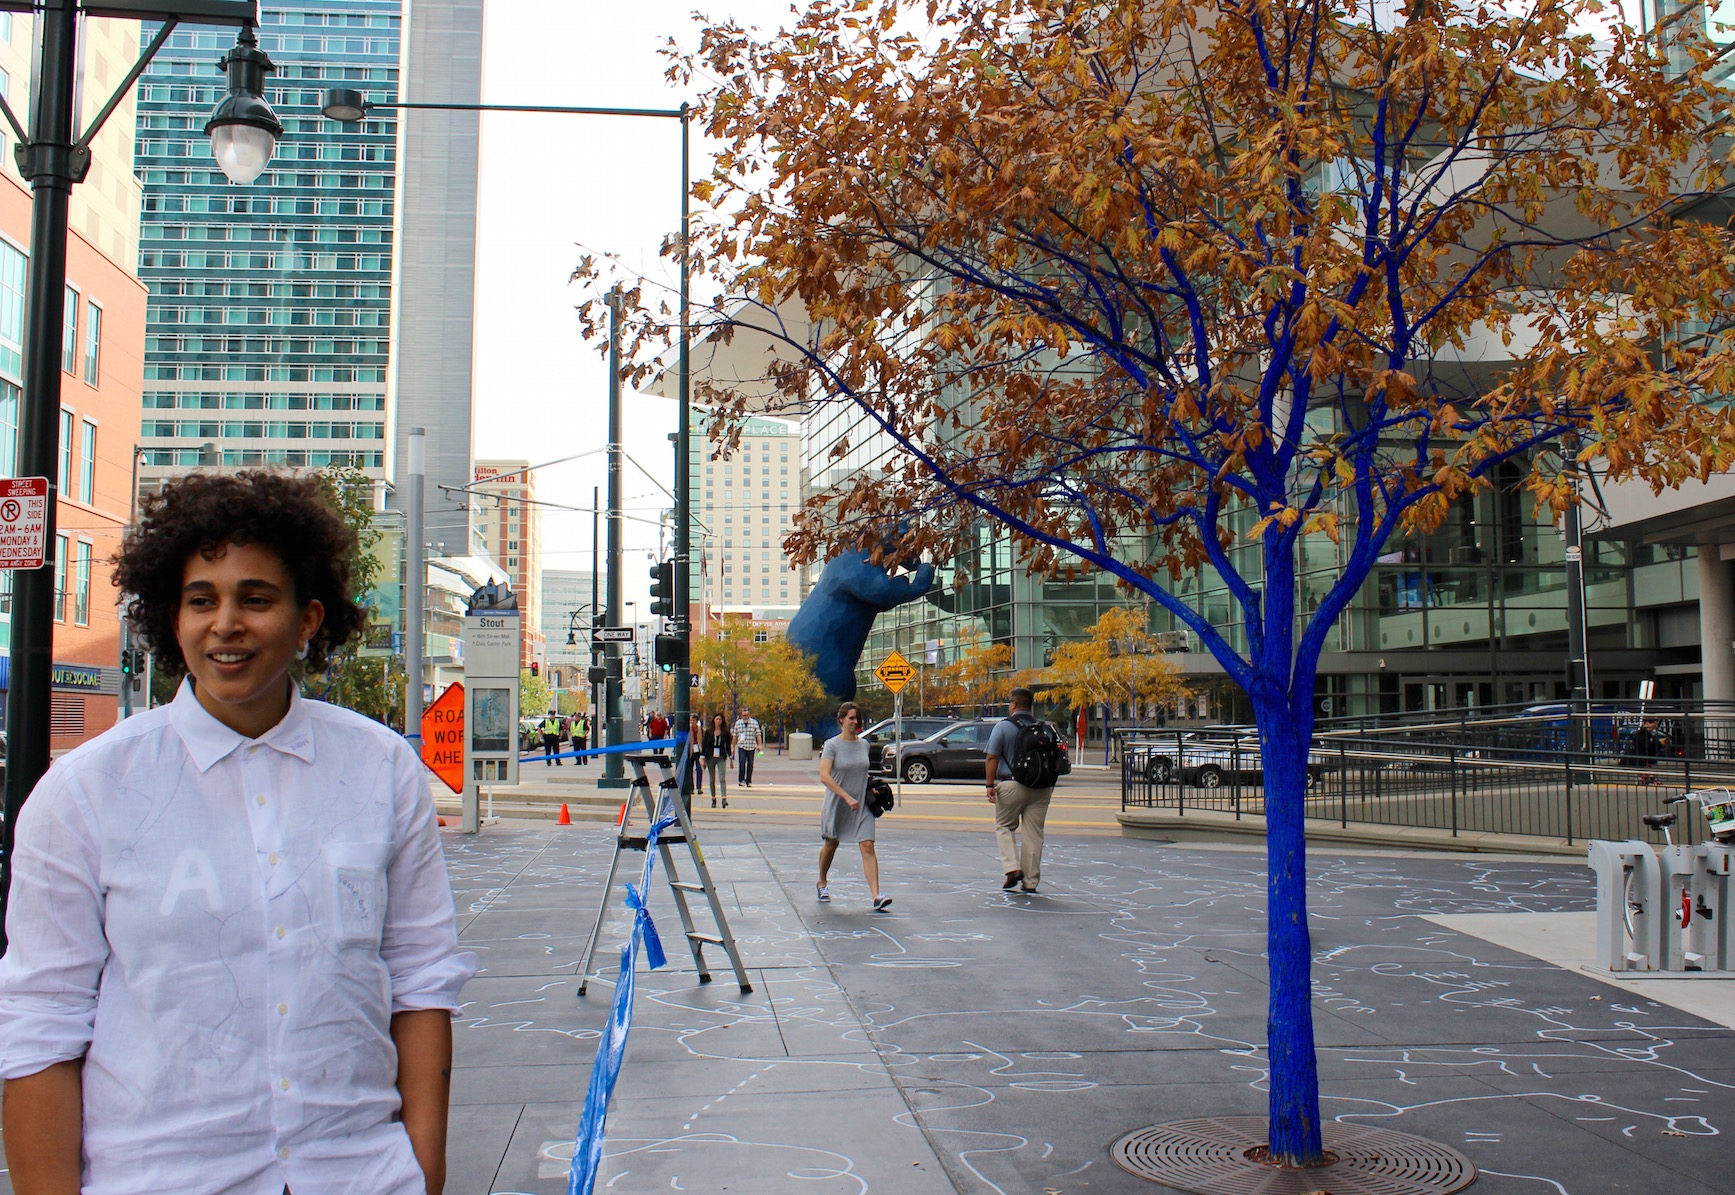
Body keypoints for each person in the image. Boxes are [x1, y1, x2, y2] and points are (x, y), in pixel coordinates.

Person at [0, 470, 476, 1195]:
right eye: (201, 600)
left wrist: (424, 1171)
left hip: (358, 1174)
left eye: (255, 598)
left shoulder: (380, 769)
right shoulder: (85, 793)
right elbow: (42, 1021)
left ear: (308, 619)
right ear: (173, 617)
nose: (225, 623)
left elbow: (419, 978)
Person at [818, 702, 892, 911]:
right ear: (841, 720)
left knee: (867, 845)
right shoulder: (832, 745)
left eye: (857, 718)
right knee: (831, 844)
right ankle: (822, 882)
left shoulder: (864, 745)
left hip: (861, 804)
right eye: (851, 718)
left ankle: (876, 896)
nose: (855, 722)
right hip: (838, 803)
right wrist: (846, 796)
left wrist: (874, 789)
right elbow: (824, 775)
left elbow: (861, 772)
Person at [985, 687, 1056, 893]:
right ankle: (1030, 882)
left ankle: (1012, 868)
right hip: (1042, 787)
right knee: (1034, 833)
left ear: (1014, 704)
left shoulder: (1003, 727)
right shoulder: (1045, 728)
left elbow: (991, 757)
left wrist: (989, 785)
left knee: (1004, 825)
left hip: (1012, 784)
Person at [703, 713, 733, 808]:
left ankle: (724, 798)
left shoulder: (725, 732)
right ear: (714, 720)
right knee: (712, 779)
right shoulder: (708, 732)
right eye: (717, 719)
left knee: (722, 778)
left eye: (720, 719)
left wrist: (731, 758)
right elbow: (704, 745)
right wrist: (702, 758)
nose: (718, 721)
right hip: (710, 756)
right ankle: (713, 798)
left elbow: (728, 746)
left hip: (721, 756)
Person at [733, 705, 763, 787]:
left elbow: (758, 734)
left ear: (749, 715)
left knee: (750, 764)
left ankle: (749, 781)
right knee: (742, 762)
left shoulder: (754, 723)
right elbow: (735, 736)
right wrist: (732, 747)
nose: (745, 717)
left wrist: (759, 745)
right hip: (742, 746)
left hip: (751, 746)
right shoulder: (738, 723)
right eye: (743, 715)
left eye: (746, 715)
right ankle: (741, 780)